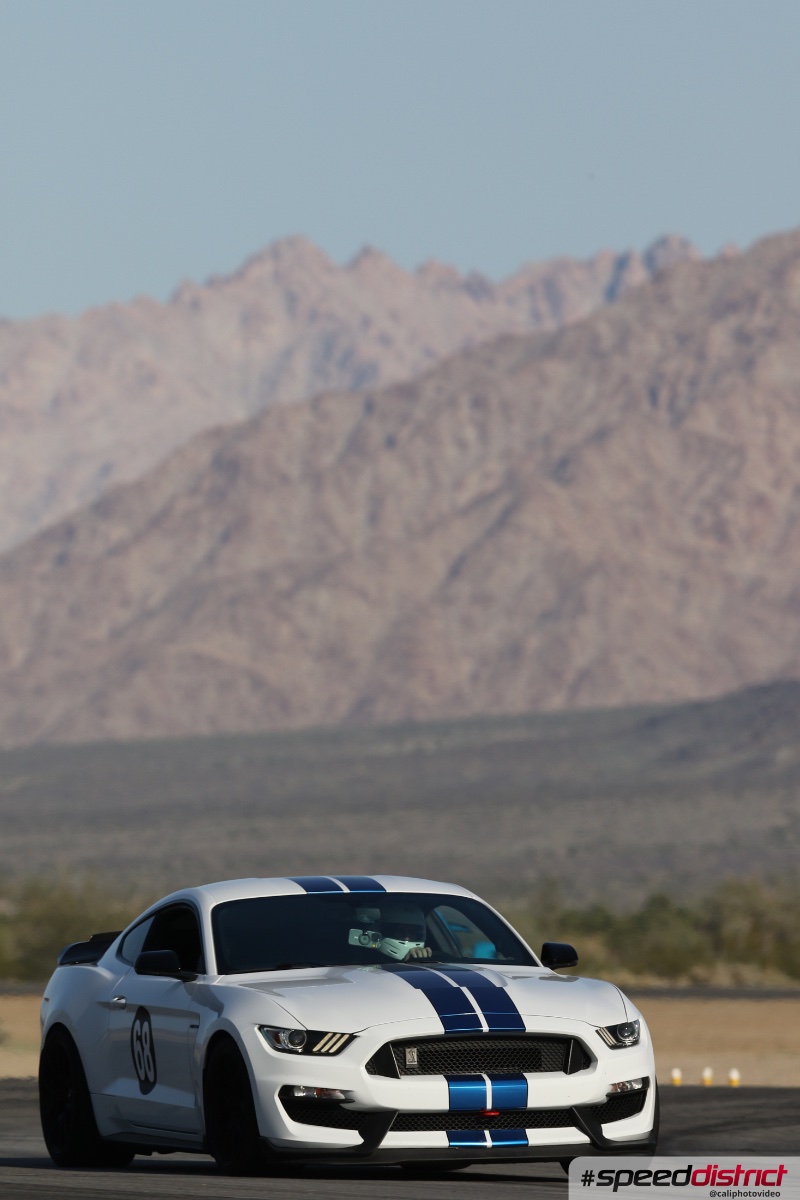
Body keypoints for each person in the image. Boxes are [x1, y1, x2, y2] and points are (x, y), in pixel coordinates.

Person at [348, 905, 432, 961]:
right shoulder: (361, 961)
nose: (407, 937)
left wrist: (421, 961)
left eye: (412, 932)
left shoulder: (427, 962)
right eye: (400, 931)